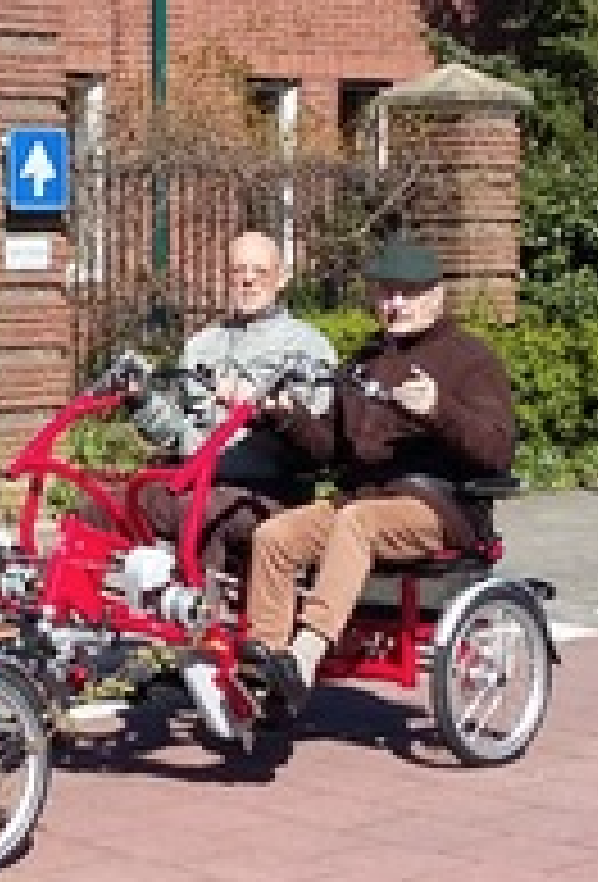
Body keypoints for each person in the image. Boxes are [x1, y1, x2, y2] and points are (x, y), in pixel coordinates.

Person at [240, 235, 516, 721]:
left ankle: (305, 654)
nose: (395, 304)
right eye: (386, 293)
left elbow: (495, 448)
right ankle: (264, 664)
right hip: (362, 499)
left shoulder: (471, 360)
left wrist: (436, 409)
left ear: (437, 295)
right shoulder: (364, 361)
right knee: (276, 535)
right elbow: (332, 447)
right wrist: (285, 416)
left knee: (357, 524)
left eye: (408, 294)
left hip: (437, 507)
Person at [120, 230, 337, 584]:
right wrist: (141, 400)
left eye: (259, 271)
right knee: (112, 503)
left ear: (282, 278)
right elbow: (180, 432)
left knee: (201, 512)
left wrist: (259, 404)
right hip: (198, 476)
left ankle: (205, 622)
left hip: (268, 488)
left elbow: (314, 434)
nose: (248, 280)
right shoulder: (202, 345)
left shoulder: (307, 347)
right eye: (238, 271)